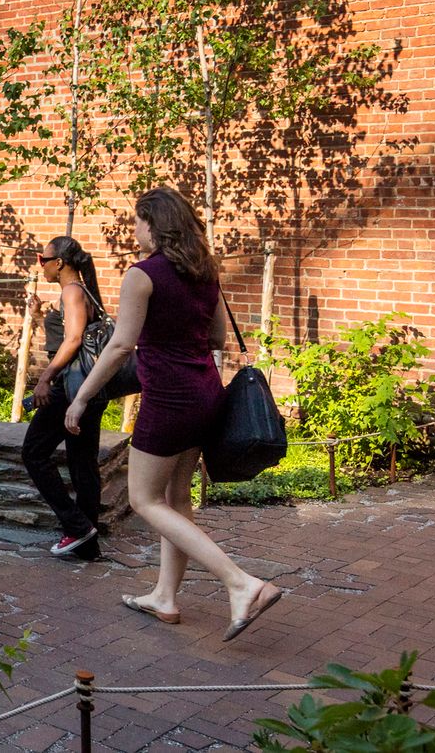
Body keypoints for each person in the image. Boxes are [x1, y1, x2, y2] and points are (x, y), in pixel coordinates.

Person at [64, 188, 284, 641]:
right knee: (177, 499)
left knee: (144, 499)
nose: (134, 231)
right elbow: (218, 339)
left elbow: (120, 346)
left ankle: (241, 583)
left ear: (154, 224)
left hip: (167, 401)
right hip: (205, 393)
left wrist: (82, 396)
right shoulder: (205, 271)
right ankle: (165, 597)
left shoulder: (142, 275)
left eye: (137, 222)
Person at [23, 235, 110, 558]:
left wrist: (45, 378)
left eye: (43, 259)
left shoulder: (72, 291)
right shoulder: (83, 291)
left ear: (59, 263)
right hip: (90, 388)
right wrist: (39, 315)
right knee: (82, 463)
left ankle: (77, 526)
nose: (41, 265)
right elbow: (69, 334)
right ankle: (87, 543)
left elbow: (73, 339)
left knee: (34, 453)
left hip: (70, 388)